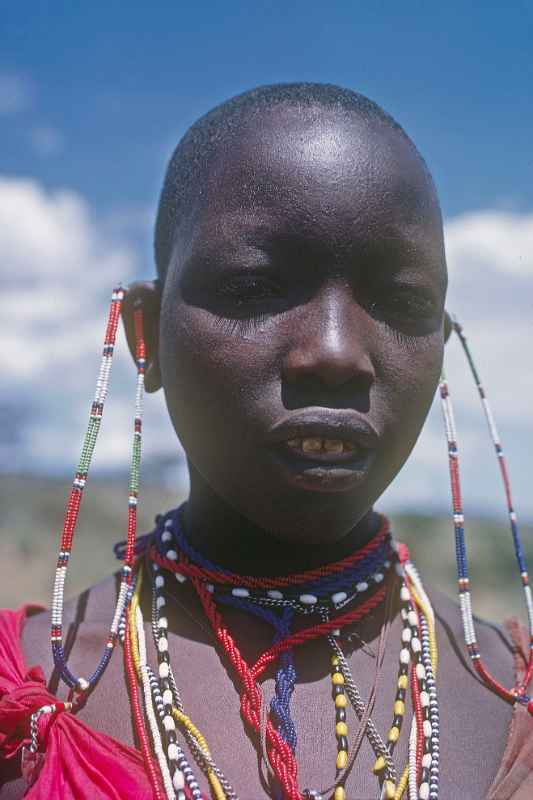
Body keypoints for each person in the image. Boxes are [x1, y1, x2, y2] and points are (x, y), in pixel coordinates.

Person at [1, 83, 531, 800]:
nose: (337, 353)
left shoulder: (511, 691)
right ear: (146, 336)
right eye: (254, 288)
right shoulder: (28, 698)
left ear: (440, 341)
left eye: (401, 301)